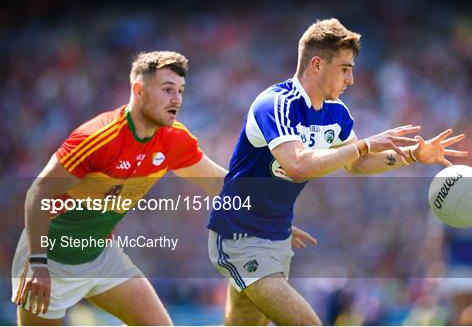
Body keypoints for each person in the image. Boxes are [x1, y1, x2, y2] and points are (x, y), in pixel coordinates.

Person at [11, 50, 317, 326]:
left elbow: (218, 183)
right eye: (167, 90)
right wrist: (38, 265)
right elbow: (38, 193)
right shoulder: (97, 138)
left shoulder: (173, 139)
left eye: (181, 91)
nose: (177, 100)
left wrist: (270, 221)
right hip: (50, 258)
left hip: (101, 255)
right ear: (139, 91)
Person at [207, 18, 469, 325]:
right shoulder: (275, 104)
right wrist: (364, 145)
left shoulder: (336, 113)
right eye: (345, 68)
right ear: (317, 64)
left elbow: (356, 164)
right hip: (239, 234)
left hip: (275, 236)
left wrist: (413, 154)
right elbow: (298, 164)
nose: (351, 79)